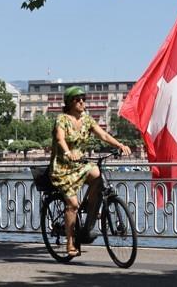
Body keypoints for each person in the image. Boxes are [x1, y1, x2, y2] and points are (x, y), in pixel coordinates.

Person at [49, 86, 131, 256]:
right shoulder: (62, 119)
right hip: (63, 167)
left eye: (83, 99)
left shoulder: (87, 120)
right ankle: (70, 243)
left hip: (80, 164)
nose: (81, 102)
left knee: (99, 178)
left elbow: (104, 135)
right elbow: (60, 138)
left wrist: (120, 145)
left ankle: (88, 225)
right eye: (77, 99)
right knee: (72, 204)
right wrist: (67, 152)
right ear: (70, 103)